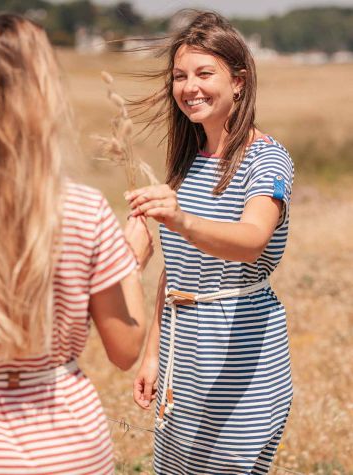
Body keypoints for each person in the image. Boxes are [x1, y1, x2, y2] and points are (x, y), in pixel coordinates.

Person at [0, 13, 152, 475]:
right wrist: (129, 263)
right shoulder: (84, 209)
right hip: (69, 443)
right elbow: (125, 348)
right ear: (44, 96)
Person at [127, 11, 295, 475]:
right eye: (180, 76)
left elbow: (250, 241)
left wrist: (179, 219)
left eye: (205, 73)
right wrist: (152, 356)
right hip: (183, 360)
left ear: (238, 81)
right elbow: (176, 270)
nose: (190, 87)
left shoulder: (268, 159)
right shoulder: (187, 161)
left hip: (241, 363)